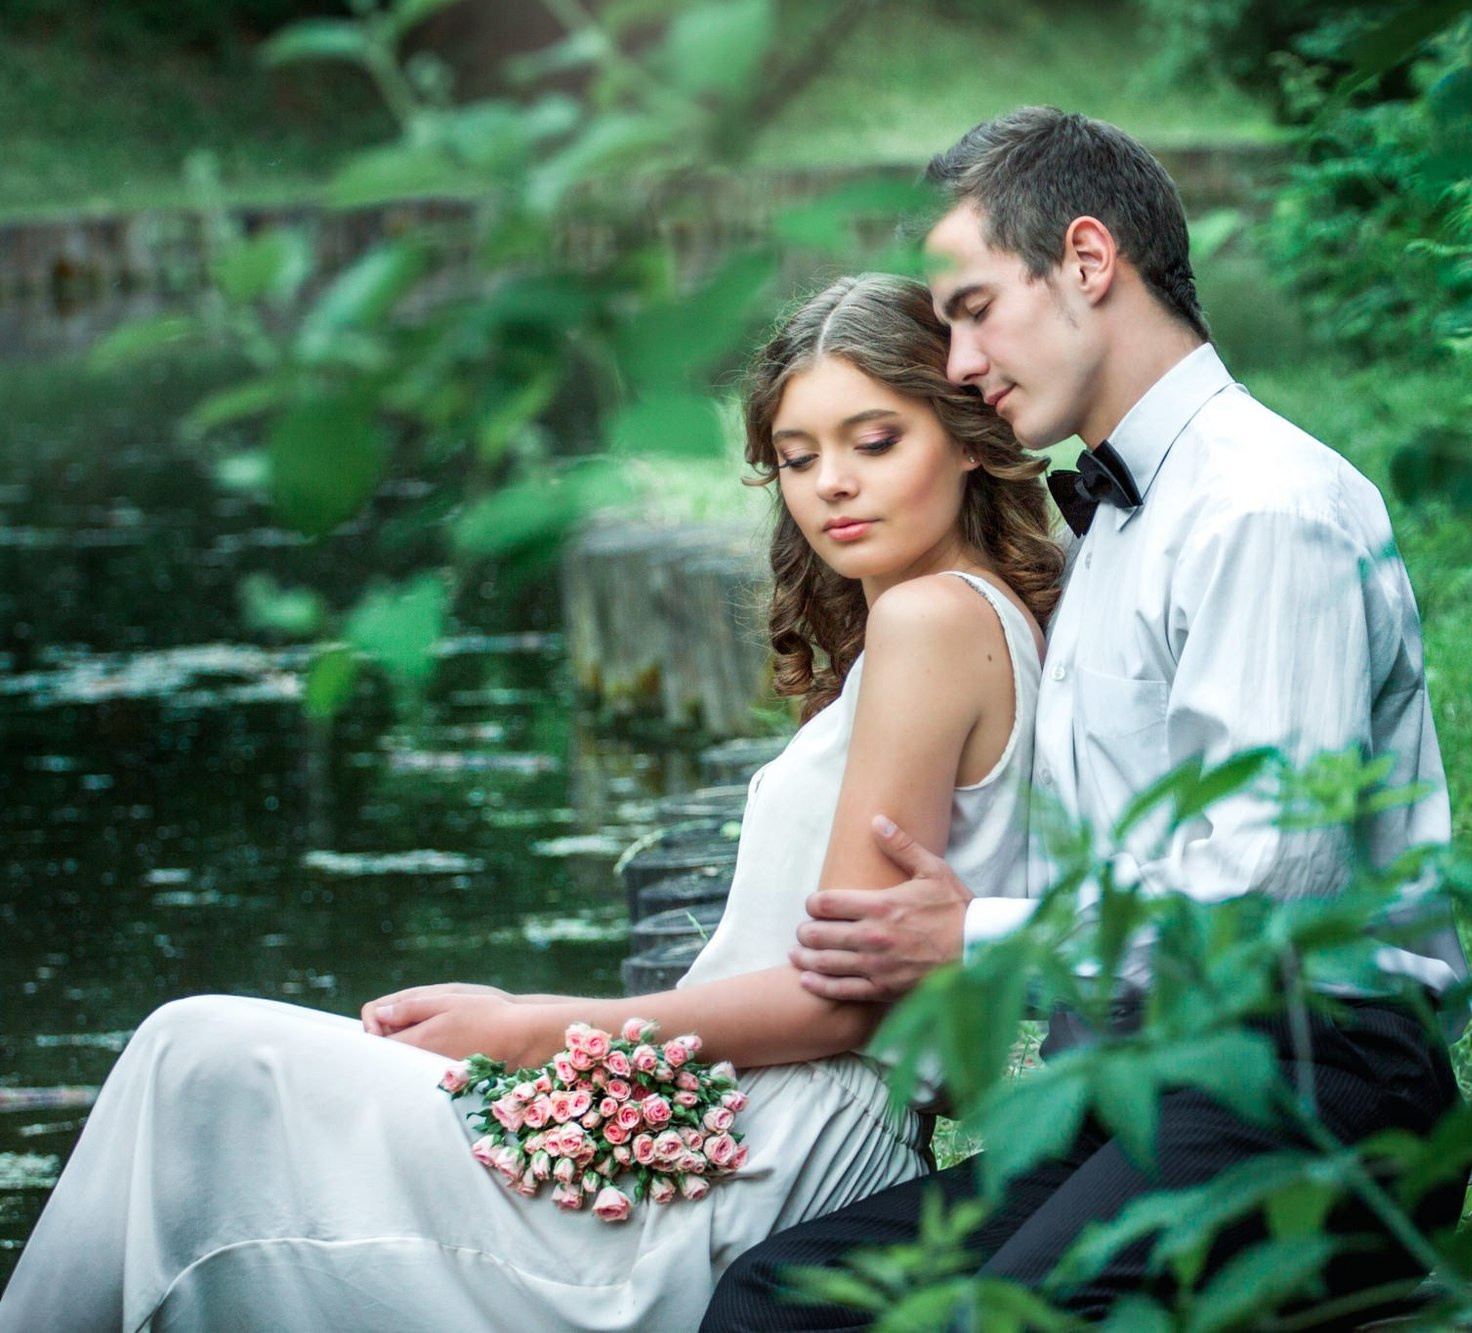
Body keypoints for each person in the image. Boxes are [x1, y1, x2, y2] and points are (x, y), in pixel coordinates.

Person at [0, 273, 1060, 1332]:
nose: (832, 483)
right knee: (204, 1075)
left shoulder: (929, 621)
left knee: (196, 1058)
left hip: (768, 1157)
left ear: (967, 434)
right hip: (711, 1113)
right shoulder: (955, 625)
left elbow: (847, 999)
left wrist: (528, 1027)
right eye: (796, 455)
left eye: (875, 441)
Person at [702, 108, 1472, 1328]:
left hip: (1316, 1083)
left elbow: (1262, 899)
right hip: (1135, 1092)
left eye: (968, 308)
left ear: (1087, 261)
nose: (956, 362)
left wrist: (973, 936)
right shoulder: (1105, 528)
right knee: (782, 1301)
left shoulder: (1258, 508)